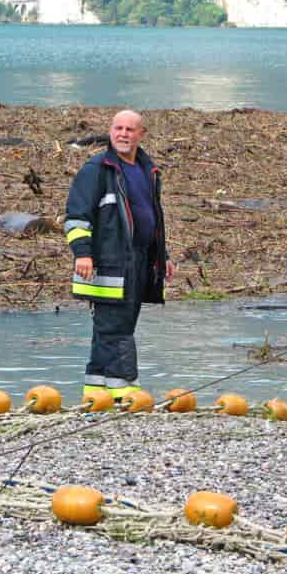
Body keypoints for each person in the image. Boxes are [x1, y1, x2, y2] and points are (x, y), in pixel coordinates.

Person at [65, 110, 173, 400]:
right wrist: (83, 254)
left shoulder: (146, 169)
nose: (123, 134)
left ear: (141, 134)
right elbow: (76, 217)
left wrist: (163, 256)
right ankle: (124, 387)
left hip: (138, 261)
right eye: (118, 128)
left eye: (129, 129)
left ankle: (96, 390)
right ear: (110, 132)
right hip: (107, 263)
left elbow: (152, 218)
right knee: (116, 326)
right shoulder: (97, 169)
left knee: (112, 326)